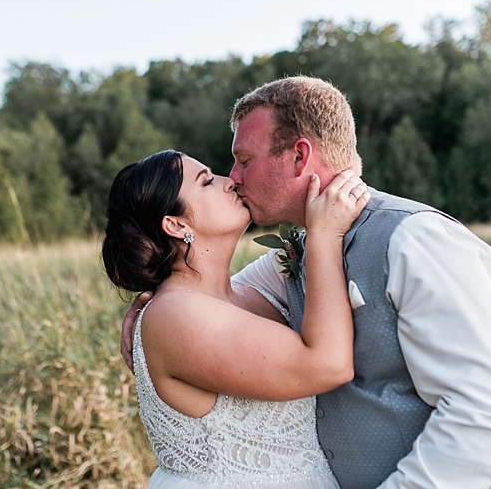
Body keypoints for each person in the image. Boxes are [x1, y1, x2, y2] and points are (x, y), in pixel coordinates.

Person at [123, 76, 491, 487]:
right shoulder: (301, 247)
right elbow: (215, 300)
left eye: (243, 160)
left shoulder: (415, 240)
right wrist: (154, 304)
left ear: (299, 156)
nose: (233, 178)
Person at [103, 148, 371, 487]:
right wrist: (324, 235)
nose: (229, 181)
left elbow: (300, 258)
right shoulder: (175, 316)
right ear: (176, 224)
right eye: (206, 182)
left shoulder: (247, 293)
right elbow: (329, 365)